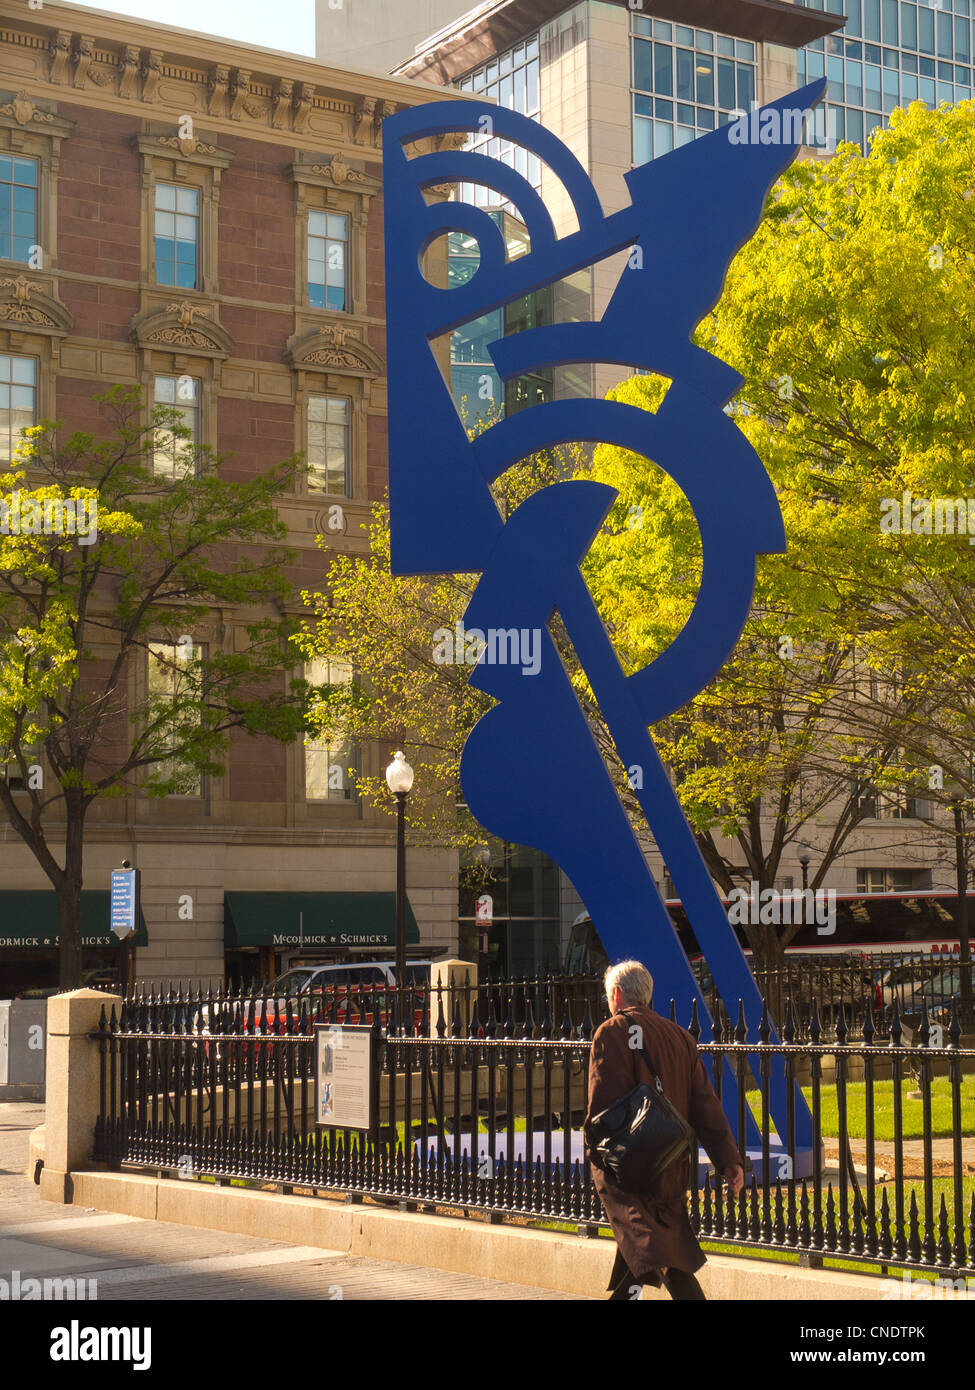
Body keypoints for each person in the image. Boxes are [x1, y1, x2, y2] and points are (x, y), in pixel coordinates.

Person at [585, 959, 745, 1300]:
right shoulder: (681, 1038)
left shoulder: (610, 1032)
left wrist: (596, 1157)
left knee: (650, 1249)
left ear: (616, 994)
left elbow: (602, 1110)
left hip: (628, 1167)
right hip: (670, 1164)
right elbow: (707, 1107)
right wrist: (729, 1161)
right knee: (656, 1251)